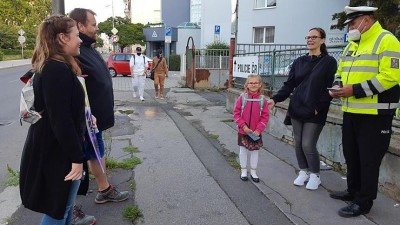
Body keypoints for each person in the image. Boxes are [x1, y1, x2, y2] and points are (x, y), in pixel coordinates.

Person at [328, 6, 400, 217]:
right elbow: (340, 70)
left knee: (368, 160)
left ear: (365, 21)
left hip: (375, 115)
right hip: (351, 110)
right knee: (351, 155)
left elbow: (390, 77)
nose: (350, 28)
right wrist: (337, 85)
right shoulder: (353, 44)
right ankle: (352, 191)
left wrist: (354, 90)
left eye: (352, 24)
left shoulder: (387, 40)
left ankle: (364, 202)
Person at [19, 15, 86, 225]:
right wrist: (77, 158)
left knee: (64, 209)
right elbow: (61, 121)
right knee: (58, 211)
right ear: (63, 38)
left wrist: (86, 115)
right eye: (76, 35)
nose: (81, 40)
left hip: (58, 150)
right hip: (58, 154)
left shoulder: (54, 66)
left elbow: (62, 109)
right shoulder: (55, 70)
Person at [69, 7, 129, 223]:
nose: (97, 28)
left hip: (93, 121)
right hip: (81, 122)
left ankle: (104, 189)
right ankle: (70, 209)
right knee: (74, 163)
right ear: (80, 26)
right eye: (93, 24)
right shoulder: (73, 51)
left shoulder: (88, 48)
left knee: (95, 153)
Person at [267, 28, 337, 190]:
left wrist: (318, 108)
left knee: (308, 144)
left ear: (322, 40)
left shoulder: (329, 62)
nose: (310, 40)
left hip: (315, 110)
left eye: (314, 37)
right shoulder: (299, 61)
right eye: (308, 37)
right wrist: (275, 99)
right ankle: (303, 171)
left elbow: (330, 89)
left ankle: (315, 175)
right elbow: (289, 85)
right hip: (297, 108)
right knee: (298, 143)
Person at [233, 74, 269, 183]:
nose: (253, 85)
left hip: (256, 132)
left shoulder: (263, 100)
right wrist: (243, 126)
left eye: (256, 83)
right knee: (243, 150)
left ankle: (253, 172)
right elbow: (236, 114)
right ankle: (243, 171)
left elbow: (265, 116)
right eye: (251, 83)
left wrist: (258, 129)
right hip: (243, 131)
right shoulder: (242, 98)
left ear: (260, 85)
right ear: (247, 85)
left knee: (255, 152)